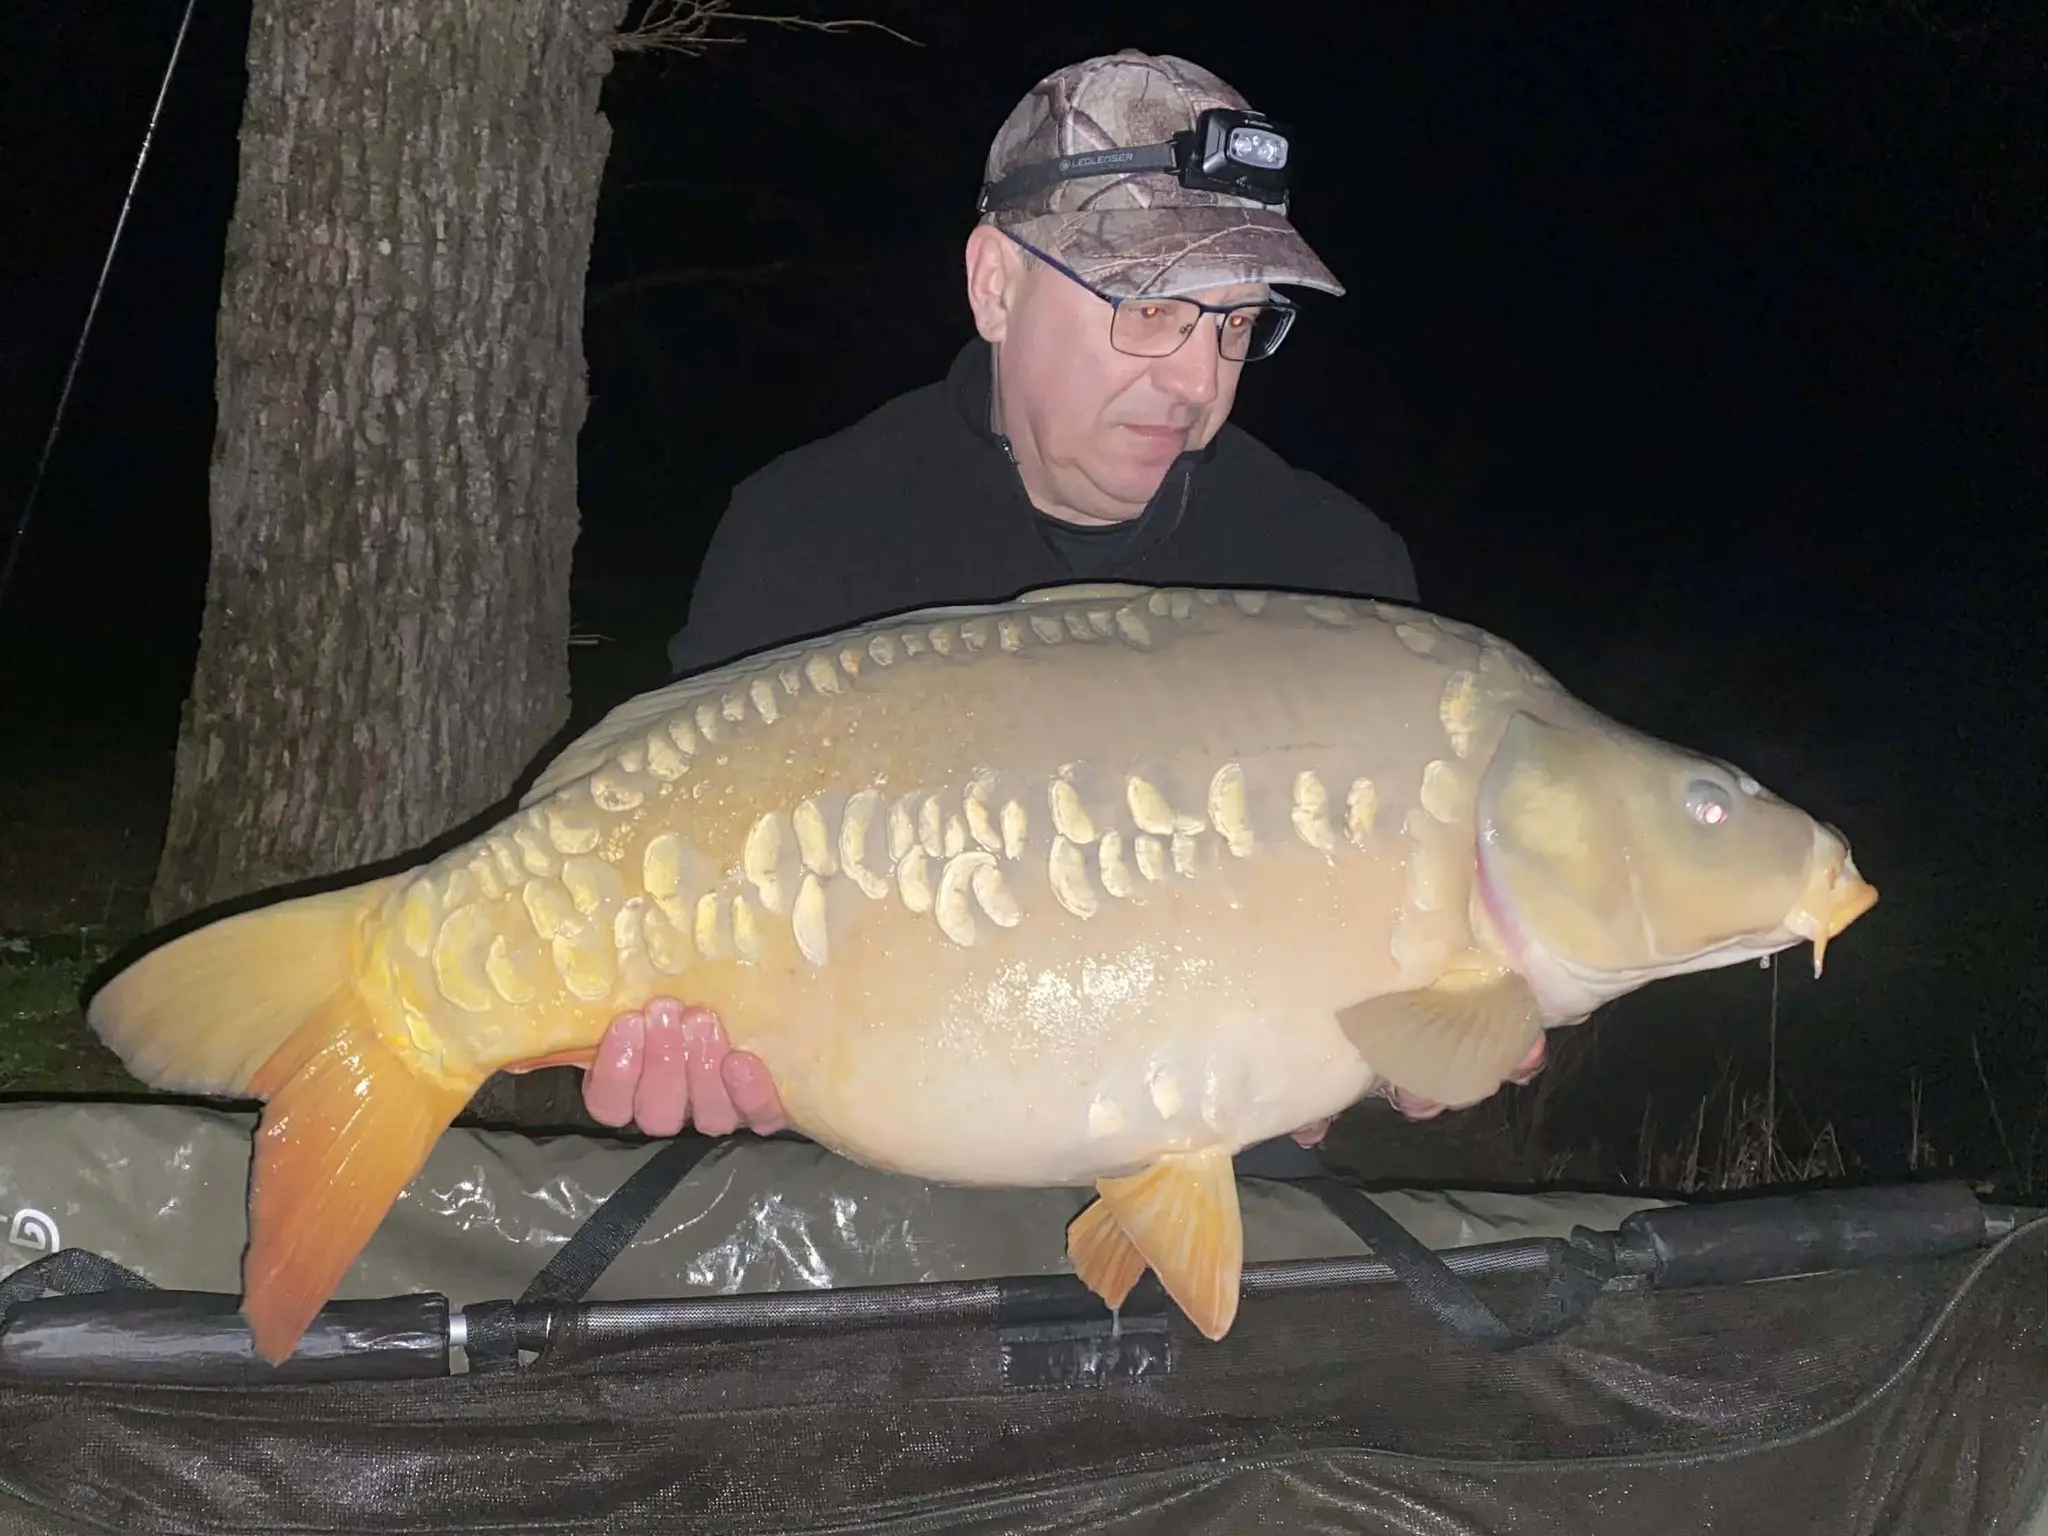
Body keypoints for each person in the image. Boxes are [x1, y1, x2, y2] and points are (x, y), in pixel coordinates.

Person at [576, 49, 1545, 1147]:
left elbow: (1356, 993)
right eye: (1151, 308)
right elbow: (673, 880)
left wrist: (1408, 1059)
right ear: (997, 285)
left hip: (1218, 1174)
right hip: (873, 1166)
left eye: (1235, 324)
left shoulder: (1330, 577)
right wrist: (689, 1051)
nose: (1198, 381)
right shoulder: (809, 534)